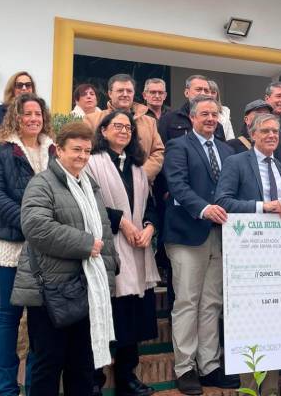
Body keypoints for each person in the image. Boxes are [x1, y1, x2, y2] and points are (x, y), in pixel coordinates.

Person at [10, 122, 118, 395]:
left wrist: (111, 269)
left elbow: (103, 232)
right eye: (76, 150)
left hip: (86, 290)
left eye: (87, 150)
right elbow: (36, 227)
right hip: (51, 292)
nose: (82, 156)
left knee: (81, 367)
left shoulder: (89, 186)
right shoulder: (42, 183)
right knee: (48, 365)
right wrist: (85, 244)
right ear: (58, 150)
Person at [162, 95, 237, 394]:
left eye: (214, 114)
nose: (210, 118)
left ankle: (210, 366)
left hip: (219, 236)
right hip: (186, 234)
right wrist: (204, 209)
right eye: (204, 113)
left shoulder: (226, 149)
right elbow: (177, 185)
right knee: (187, 302)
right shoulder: (178, 146)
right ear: (192, 117)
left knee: (211, 303)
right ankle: (185, 367)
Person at [86, 110, 161, 395]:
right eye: (117, 126)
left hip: (139, 251)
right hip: (108, 251)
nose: (124, 131)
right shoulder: (92, 163)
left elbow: (151, 205)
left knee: (131, 320)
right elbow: (88, 204)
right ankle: (94, 381)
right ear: (103, 131)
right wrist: (122, 222)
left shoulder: (137, 167)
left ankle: (127, 377)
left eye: (128, 127)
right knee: (105, 318)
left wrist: (150, 227)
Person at [0, 93, 54, 395]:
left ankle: (36, 387)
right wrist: (30, 224)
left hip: (47, 249)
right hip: (13, 245)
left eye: (38, 113)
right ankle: (5, 388)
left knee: (41, 320)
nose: (33, 119)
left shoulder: (53, 149)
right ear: (17, 116)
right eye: (27, 113)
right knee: (9, 317)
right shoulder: (0, 150)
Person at [214, 113, 281, 395]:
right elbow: (222, 201)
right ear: (253, 134)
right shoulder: (236, 162)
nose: (272, 136)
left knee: (274, 326)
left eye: (276, 132)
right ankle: (249, 389)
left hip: (278, 254)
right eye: (266, 131)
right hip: (248, 257)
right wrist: (261, 207)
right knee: (250, 327)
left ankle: (270, 390)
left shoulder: (279, 166)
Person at [83, 74, 164, 181]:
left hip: (141, 187)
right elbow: (84, 150)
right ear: (110, 93)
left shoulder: (149, 122)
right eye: (120, 90)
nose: (125, 94)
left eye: (129, 91)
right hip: (102, 185)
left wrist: (141, 175)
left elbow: (158, 153)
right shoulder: (91, 120)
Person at [0, 71, 37, 157]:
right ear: (12, 89)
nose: (24, 88)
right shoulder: (0, 111)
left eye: (28, 85)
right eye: (19, 85)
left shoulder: (41, 112)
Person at [158, 74, 225, 144]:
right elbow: (161, 150)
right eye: (198, 89)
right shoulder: (168, 120)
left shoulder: (216, 125)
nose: (203, 93)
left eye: (206, 91)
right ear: (187, 93)